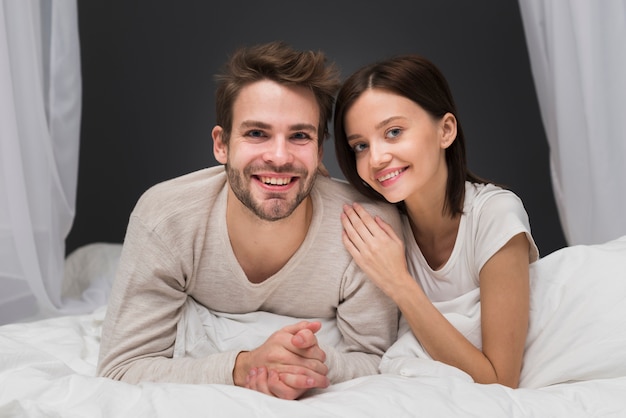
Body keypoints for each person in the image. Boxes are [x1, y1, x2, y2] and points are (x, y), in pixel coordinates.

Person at [97, 41, 401, 400]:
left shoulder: (367, 227)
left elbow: (375, 359)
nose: (278, 156)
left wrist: (302, 365)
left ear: (319, 151)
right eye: (257, 133)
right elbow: (121, 367)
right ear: (221, 144)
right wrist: (245, 367)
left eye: (300, 136)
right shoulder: (165, 219)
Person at [333, 54, 539, 388]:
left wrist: (399, 283)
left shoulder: (494, 215)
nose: (376, 158)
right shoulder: (379, 223)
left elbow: (500, 381)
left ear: (445, 130)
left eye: (394, 132)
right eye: (360, 145)